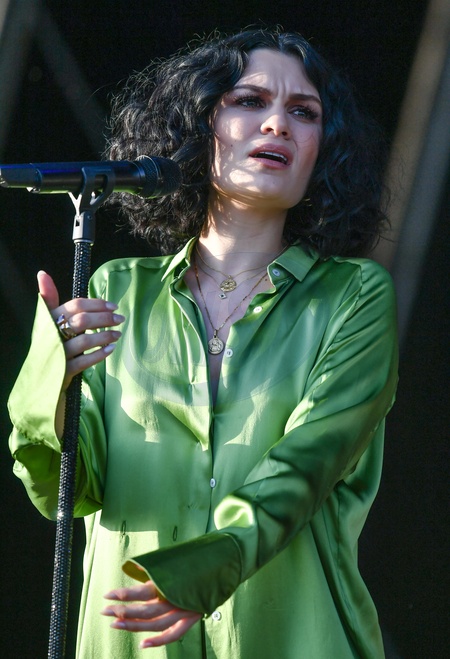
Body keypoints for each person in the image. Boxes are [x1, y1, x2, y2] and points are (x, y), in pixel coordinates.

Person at [8, 28, 398, 658]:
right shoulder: (116, 291)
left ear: (323, 150)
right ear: (196, 126)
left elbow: (306, 466)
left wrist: (202, 571)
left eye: (304, 112)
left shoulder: (353, 297)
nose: (277, 124)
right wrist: (51, 382)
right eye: (250, 101)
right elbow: (68, 488)